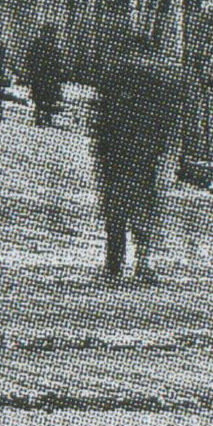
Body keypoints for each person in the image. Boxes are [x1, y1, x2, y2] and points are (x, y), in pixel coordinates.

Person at [90, 40, 184, 283]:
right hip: (144, 156)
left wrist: (101, 149)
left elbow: (99, 118)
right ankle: (142, 262)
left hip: (116, 155)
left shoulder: (114, 77)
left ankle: (114, 264)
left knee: (116, 210)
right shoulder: (158, 83)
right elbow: (167, 122)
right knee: (144, 207)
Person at [24, 26, 67, 127]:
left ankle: (44, 117)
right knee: (42, 97)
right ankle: (41, 117)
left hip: (46, 77)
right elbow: (30, 60)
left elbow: (57, 62)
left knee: (46, 98)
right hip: (43, 77)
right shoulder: (41, 45)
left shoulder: (48, 46)